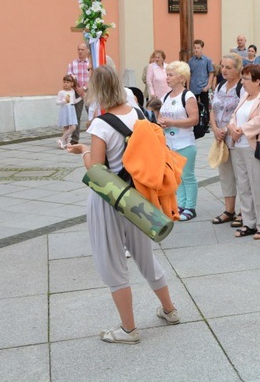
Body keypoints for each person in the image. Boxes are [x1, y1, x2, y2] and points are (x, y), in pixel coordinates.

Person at [66, 65, 179, 344]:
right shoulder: (138, 114)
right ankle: (170, 310)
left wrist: (83, 152)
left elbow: (97, 168)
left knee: (112, 261)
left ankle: (128, 329)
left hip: (110, 200)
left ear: (96, 90)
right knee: (145, 256)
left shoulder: (100, 125)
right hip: (138, 198)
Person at [228, 64, 260, 240]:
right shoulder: (245, 96)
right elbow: (234, 115)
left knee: (259, 187)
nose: (242, 82)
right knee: (243, 186)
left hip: (256, 146)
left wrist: (241, 129)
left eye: (246, 79)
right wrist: (232, 127)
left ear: (257, 81)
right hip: (239, 146)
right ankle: (248, 223)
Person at [159, 61, 200, 222]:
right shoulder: (166, 96)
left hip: (185, 142)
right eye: (167, 74)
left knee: (187, 176)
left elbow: (194, 119)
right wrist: (161, 121)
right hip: (170, 143)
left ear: (181, 78)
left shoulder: (187, 96)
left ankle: (190, 207)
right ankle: (181, 204)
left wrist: (172, 123)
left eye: (170, 75)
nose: (167, 78)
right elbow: (162, 115)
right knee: (177, 177)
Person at [210, 54, 244, 226]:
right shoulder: (220, 86)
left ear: (238, 69)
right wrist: (215, 129)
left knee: (241, 175)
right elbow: (213, 109)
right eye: (222, 66)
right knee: (226, 175)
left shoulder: (243, 87)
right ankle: (229, 210)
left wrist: (229, 129)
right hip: (221, 138)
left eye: (228, 67)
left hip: (237, 138)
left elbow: (245, 111)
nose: (224, 70)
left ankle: (244, 212)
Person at [66, 42, 91, 144]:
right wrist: (77, 88)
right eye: (79, 49)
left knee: (93, 114)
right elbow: (69, 77)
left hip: (89, 92)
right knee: (76, 116)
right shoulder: (72, 64)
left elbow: (92, 78)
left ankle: (96, 137)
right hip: (76, 92)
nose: (80, 51)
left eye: (82, 50)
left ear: (87, 51)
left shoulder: (90, 64)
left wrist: (84, 88)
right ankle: (75, 139)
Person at [187, 39, 215, 120]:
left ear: (202, 48)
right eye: (195, 48)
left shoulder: (207, 60)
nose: (196, 50)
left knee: (204, 106)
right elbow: (189, 74)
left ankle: (205, 123)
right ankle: (195, 121)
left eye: (198, 48)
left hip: (203, 87)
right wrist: (188, 87)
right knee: (193, 106)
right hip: (193, 87)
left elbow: (211, 73)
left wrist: (208, 86)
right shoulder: (191, 60)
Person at [56, 74, 79, 149]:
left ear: (72, 83)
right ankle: (62, 139)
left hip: (71, 109)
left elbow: (74, 101)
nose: (66, 84)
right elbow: (57, 102)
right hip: (65, 109)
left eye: (68, 82)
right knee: (69, 127)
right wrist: (64, 101)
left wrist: (81, 98)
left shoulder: (72, 91)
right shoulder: (61, 92)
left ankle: (64, 142)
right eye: (64, 82)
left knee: (71, 126)